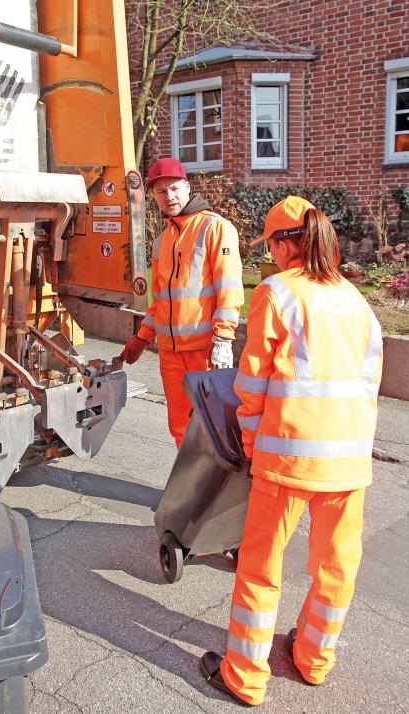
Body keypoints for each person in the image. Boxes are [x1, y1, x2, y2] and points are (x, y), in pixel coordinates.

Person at [200, 196, 383, 706]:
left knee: (260, 565)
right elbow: (370, 384)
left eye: (271, 245)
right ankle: (312, 659)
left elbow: (252, 382)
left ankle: (245, 676)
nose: (270, 256)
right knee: (336, 564)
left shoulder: (277, 293)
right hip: (347, 462)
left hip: (287, 457)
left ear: (287, 244)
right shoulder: (356, 299)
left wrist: (253, 447)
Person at [122, 158, 244, 447]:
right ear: (154, 196)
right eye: (161, 192)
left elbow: (229, 287)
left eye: (174, 188)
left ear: (187, 187)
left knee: (214, 426)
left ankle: (218, 489)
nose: (169, 197)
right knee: (179, 426)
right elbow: (160, 302)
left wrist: (224, 339)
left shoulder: (215, 228)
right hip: (170, 354)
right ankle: (189, 488)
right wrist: (141, 339)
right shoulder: (161, 242)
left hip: (205, 350)